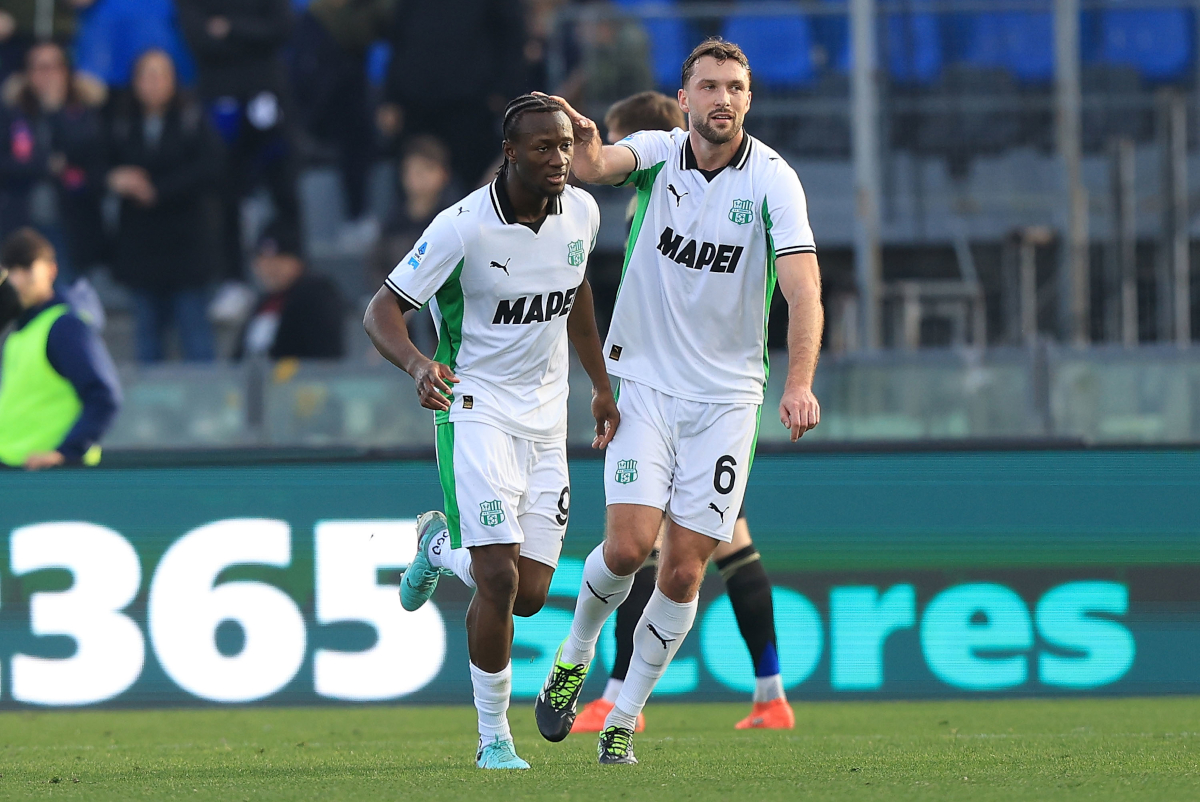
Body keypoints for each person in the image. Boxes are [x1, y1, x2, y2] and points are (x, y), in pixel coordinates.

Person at [534, 39, 824, 765]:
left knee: (687, 570)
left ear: (748, 99)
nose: (723, 98)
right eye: (709, 86)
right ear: (685, 96)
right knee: (630, 548)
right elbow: (601, 167)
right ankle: (574, 656)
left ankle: (624, 717)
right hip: (648, 389)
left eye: (735, 87)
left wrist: (798, 382)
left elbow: (803, 287)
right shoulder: (659, 154)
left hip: (727, 401)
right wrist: (588, 147)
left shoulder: (775, 182)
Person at [363, 94, 618, 770]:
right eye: (544, 147)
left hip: (546, 418)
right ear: (510, 153)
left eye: (566, 145)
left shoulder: (583, 214)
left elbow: (578, 294)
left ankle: (437, 543)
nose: (560, 158)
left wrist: (598, 383)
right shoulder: (462, 227)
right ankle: (493, 738)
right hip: (472, 409)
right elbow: (382, 309)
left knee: (530, 595)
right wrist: (419, 364)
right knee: (498, 580)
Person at [570, 89, 796, 735]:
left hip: (693, 400)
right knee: (726, 548)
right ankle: (769, 693)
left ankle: (618, 697)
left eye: (618, 142)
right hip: (701, 397)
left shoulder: (661, 194)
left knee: (650, 551)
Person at [176, 0, 299, 321]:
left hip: (267, 98)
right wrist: (251, 36)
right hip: (219, 101)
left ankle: (295, 275)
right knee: (223, 195)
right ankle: (233, 280)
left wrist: (229, 28)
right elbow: (199, 38)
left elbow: (282, 29)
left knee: (283, 190)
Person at [107, 48, 223, 362]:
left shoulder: (191, 118)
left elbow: (211, 168)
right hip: (141, 251)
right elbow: (95, 164)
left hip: (186, 249)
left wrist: (157, 190)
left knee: (195, 336)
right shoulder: (120, 121)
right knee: (147, 341)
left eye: (160, 75)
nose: (153, 83)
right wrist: (116, 178)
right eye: (146, 75)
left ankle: (204, 409)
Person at [0, 227, 119, 469]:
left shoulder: (65, 327)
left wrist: (66, 453)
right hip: (17, 468)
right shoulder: (22, 329)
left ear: (51, 270)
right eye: (12, 271)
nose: (19, 280)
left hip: (49, 476)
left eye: (27, 269)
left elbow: (104, 397)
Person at [377, 0, 526, 188]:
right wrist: (391, 98)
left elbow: (511, 36)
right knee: (414, 184)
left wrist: (503, 91)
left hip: (470, 103)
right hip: (415, 102)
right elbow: (397, 37)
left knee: (470, 184)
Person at [0, 41, 107, 277]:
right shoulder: (11, 113)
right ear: (27, 74)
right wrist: (45, 165)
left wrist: (54, 112)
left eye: (54, 67)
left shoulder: (85, 112)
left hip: (70, 226)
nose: (48, 75)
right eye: (40, 67)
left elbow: (85, 154)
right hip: (20, 222)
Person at [291, 0, 393, 239]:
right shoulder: (314, 19)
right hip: (321, 104)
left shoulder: (371, 13)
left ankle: (362, 215)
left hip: (356, 102)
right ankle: (356, 216)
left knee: (358, 138)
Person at [235, 220, 345, 361]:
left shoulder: (316, 296)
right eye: (263, 259)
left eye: (278, 260)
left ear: (297, 261)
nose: (269, 268)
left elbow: (323, 355)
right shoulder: (262, 303)